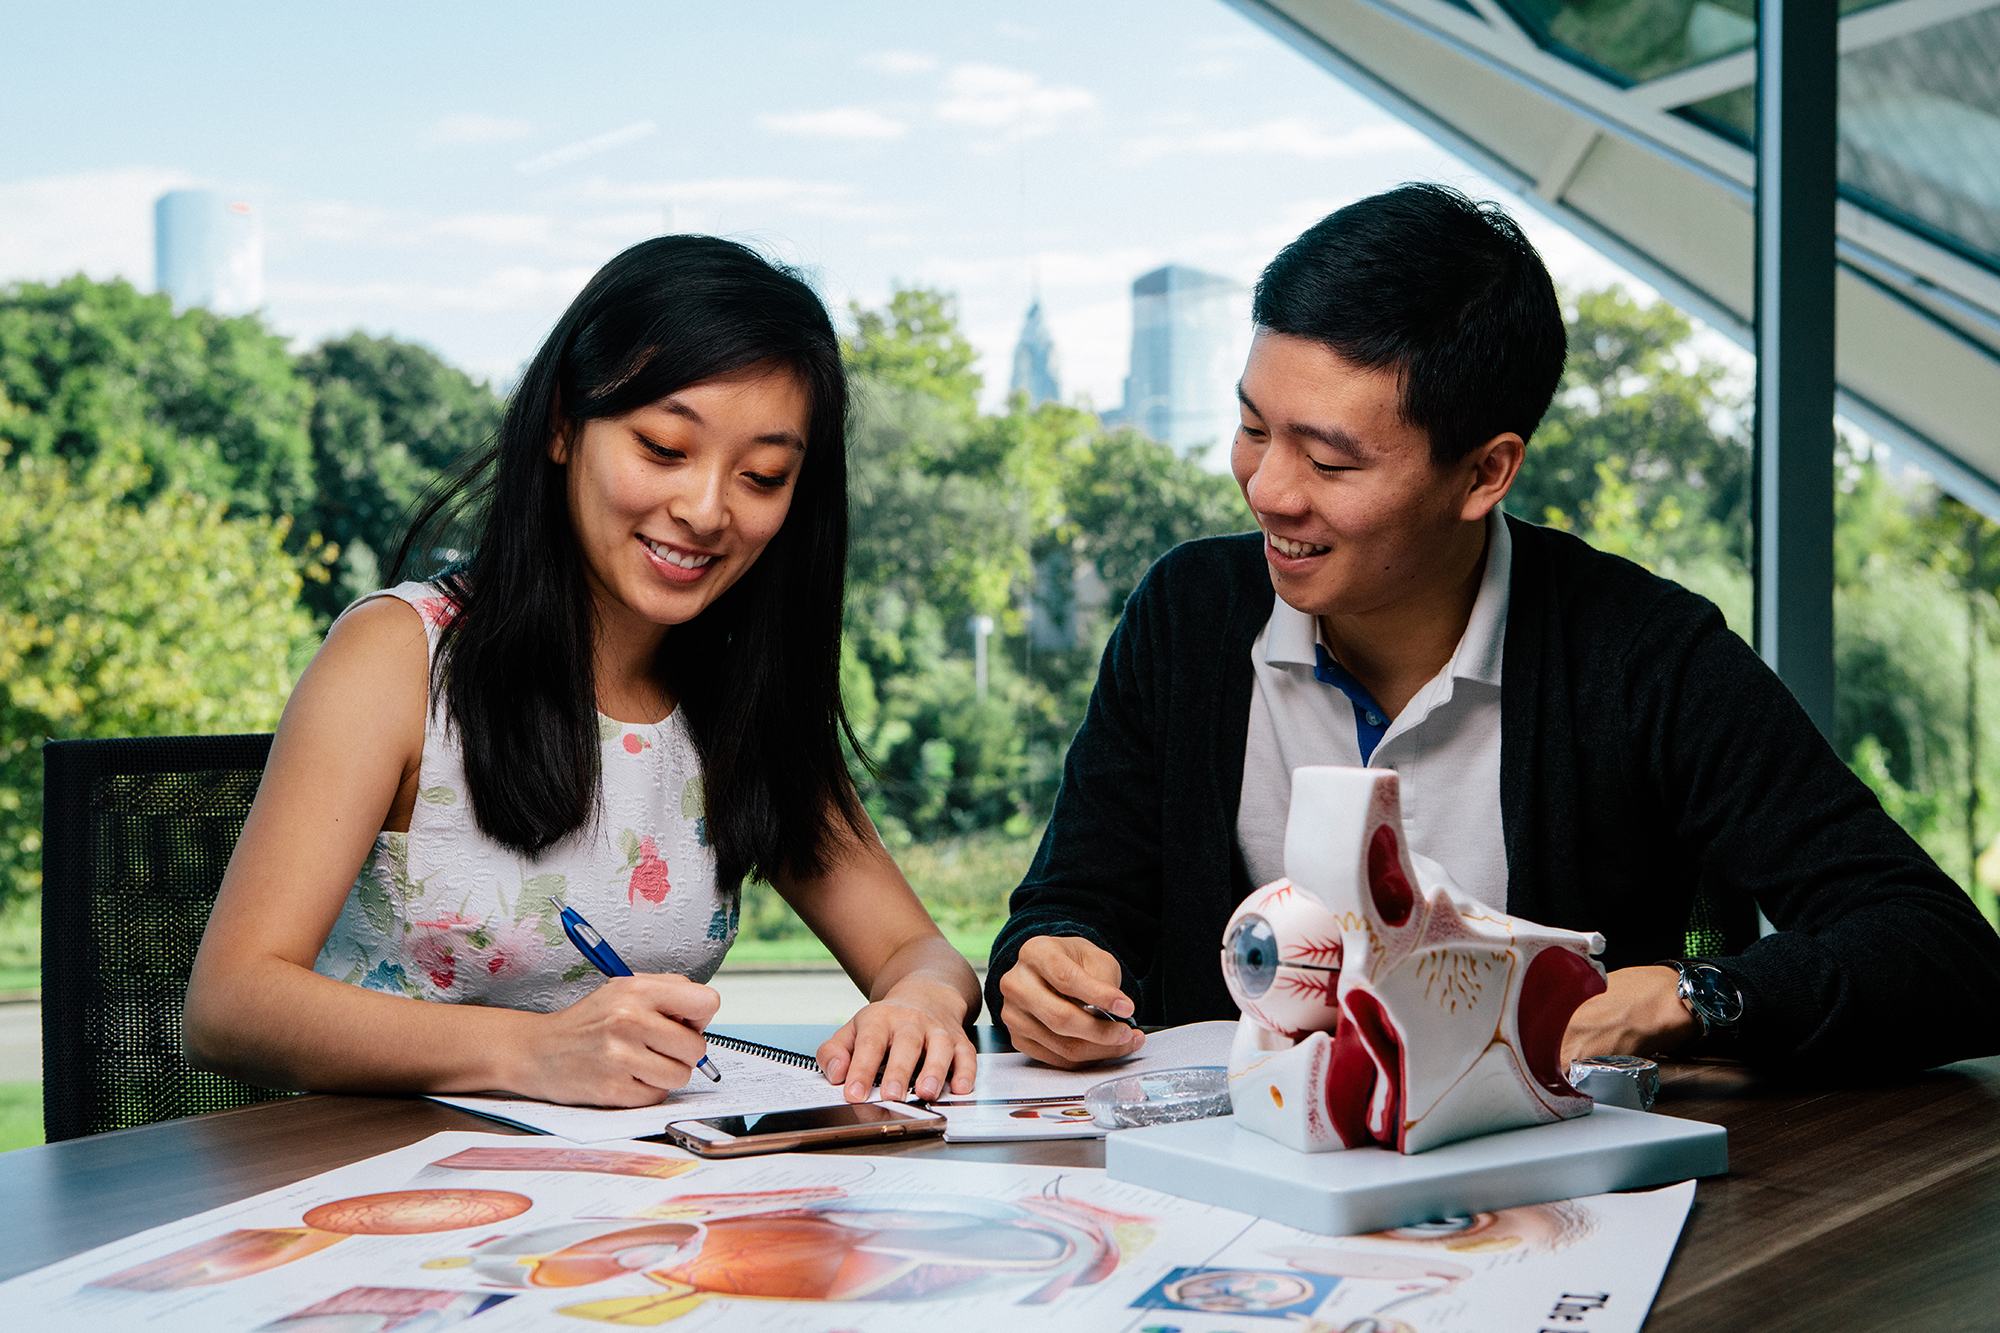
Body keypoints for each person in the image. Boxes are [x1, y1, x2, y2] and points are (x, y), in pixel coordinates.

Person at [989, 184, 2000, 1074]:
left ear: (1483, 472)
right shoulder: (1187, 616)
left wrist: (1690, 998)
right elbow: (1069, 905)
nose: (1266, 488)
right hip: (1239, 1199)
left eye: (1328, 462)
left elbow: (1945, 958)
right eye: (1253, 427)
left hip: (1556, 1223)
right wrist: (1045, 964)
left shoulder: (1644, 654)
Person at [186, 236, 980, 1107]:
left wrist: (924, 1004)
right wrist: (534, 1052)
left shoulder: (736, 703)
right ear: (564, 423)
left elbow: (918, 951)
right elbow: (231, 1004)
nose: (707, 509)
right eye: (664, 448)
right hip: (385, 1192)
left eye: (761, 475)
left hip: (626, 1212)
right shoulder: (402, 656)